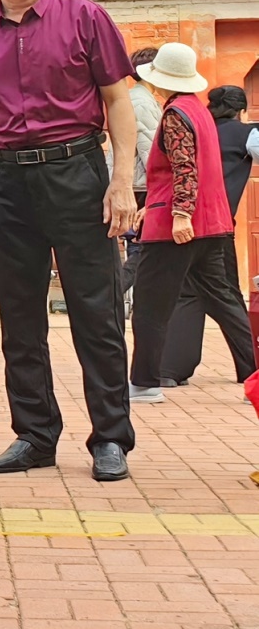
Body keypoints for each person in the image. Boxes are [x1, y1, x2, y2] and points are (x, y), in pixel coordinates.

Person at [0, 0, 139, 483]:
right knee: (19, 314)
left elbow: (118, 102)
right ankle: (34, 435)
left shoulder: (85, 17)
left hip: (77, 173)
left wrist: (120, 181)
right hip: (8, 181)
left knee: (96, 311)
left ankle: (110, 437)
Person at [127, 50, 257, 402]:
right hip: (213, 224)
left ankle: (145, 382)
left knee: (150, 304)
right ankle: (254, 371)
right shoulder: (198, 109)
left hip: (177, 226)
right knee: (225, 301)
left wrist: (180, 213)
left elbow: (184, 168)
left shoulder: (176, 114)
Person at [159, 85, 258, 386]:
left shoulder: (193, 126)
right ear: (241, 110)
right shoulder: (247, 134)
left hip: (182, 219)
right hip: (217, 224)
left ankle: (171, 369)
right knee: (226, 295)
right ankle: (252, 369)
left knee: (187, 292)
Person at [117, 47, 162, 294]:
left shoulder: (136, 98)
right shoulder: (142, 102)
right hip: (142, 186)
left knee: (141, 249)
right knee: (144, 249)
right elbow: (152, 153)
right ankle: (113, 297)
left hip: (137, 184)